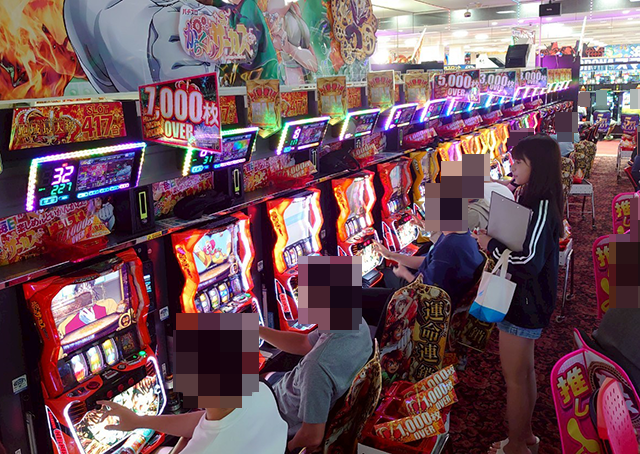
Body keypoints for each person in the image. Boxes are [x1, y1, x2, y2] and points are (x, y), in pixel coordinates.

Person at [473, 135, 563, 454]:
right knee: (524, 374)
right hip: (527, 298)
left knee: (515, 379)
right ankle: (525, 438)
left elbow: (529, 262)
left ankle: (515, 445)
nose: (512, 166)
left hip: (524, 300)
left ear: (536, 166)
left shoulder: (542, 205)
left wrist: (491, 245)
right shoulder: (536, 198)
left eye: (519, 162)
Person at [259, 256, 373, 452]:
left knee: (220, 402)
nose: (299, 300)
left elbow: (312, 437)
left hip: (277, 418)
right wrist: (257, 330)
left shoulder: (317, 367)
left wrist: (285, 449)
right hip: (294, 392)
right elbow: (303, 343)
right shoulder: (355, 324)